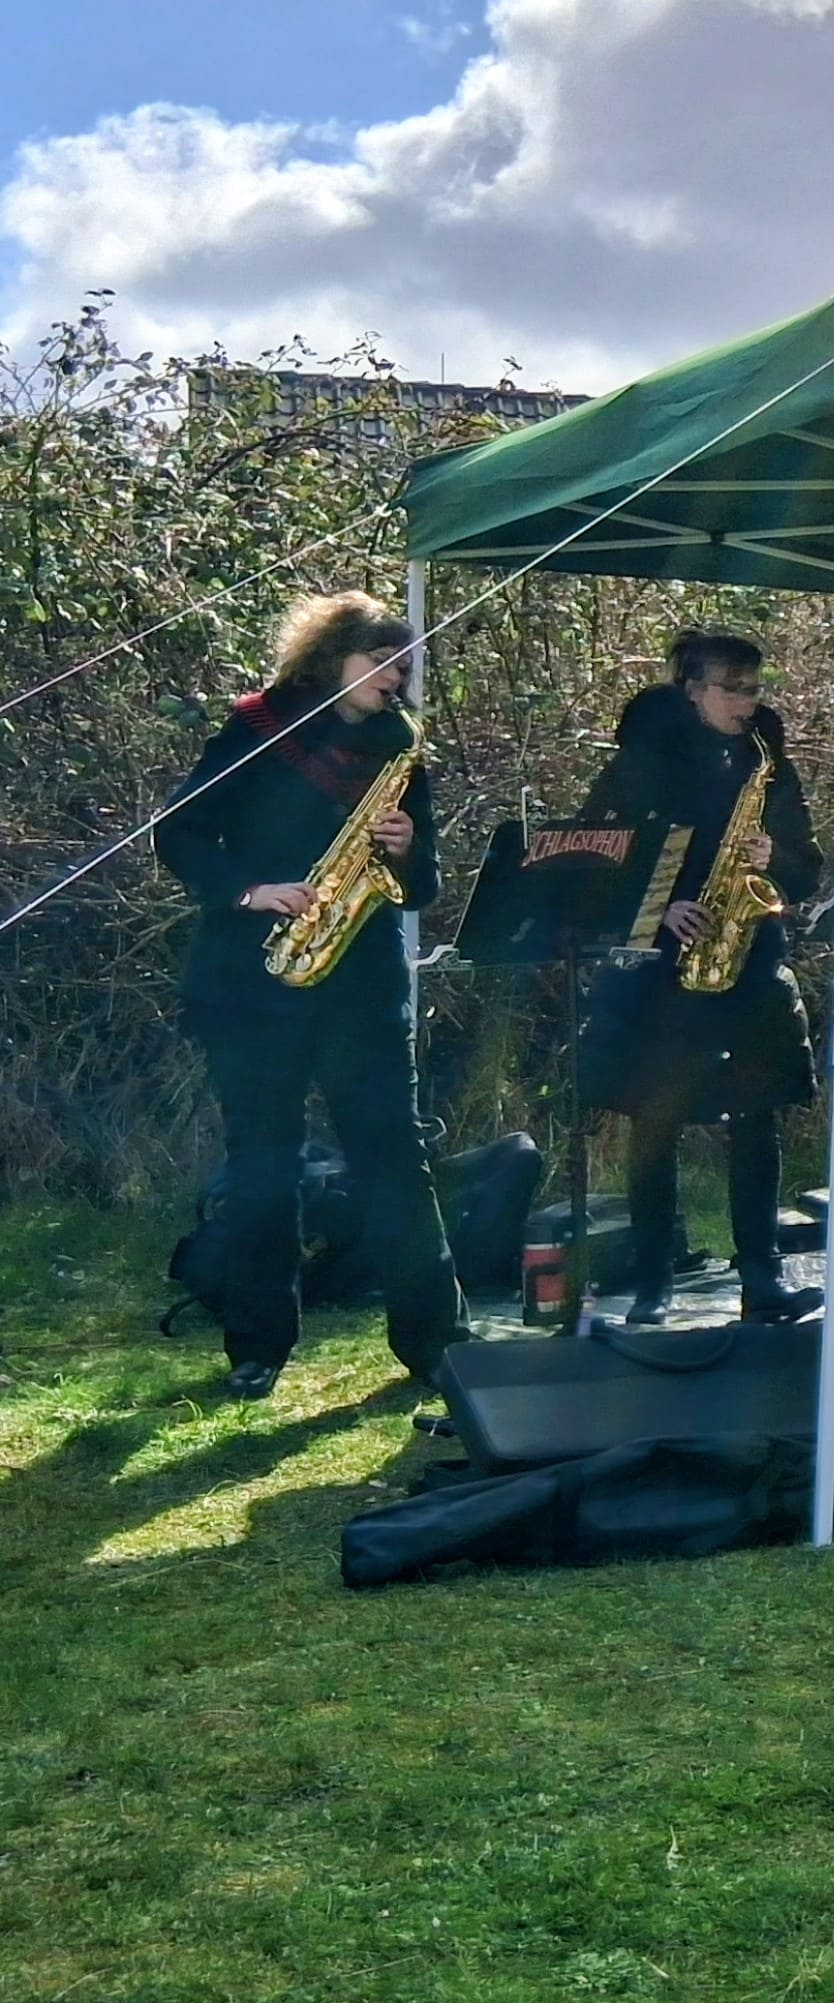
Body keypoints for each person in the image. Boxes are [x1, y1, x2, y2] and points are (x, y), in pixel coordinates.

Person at [153, 592, 462, 1401]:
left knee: (395, 1160)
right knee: (263, 1167)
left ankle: (436, 1342)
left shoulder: (401, 749)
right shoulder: (258, 728)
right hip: (254, 980)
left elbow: (421, 886)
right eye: (382, 663)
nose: (397, 679)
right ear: (332, 659)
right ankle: (258, 1347)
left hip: (363, 987)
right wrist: (249, 890)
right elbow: (178, 832)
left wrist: (407, 849)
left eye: (404, 667)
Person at [572, 632, 824, 1326]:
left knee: (757, 1118)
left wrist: (777, 856)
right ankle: (653, 1282)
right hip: (661, 970)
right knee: (655, 1123)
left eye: (754, 689)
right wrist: (659, 909)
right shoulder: (641, 761)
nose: (747, 703)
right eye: (732, 689)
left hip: (749, 959)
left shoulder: (767, 762)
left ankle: (762, 1280)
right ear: (691, 690)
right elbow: (595, 855)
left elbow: (807, 866)